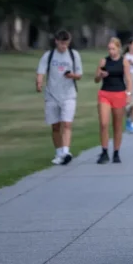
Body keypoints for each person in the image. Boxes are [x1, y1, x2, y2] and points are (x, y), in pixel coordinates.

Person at [35, 29, 83, 166]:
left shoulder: (74, 55)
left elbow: (79, 75)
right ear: (56, 41)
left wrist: (72, 75)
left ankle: (66, 152)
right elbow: (41, 71)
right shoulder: (49, 55)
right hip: (52, 95)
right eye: (62, 43)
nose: (64, 46)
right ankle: (59, 152)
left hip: (69, 95)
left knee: (67, 124)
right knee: (55, 126)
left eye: (66, 43)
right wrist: (39, 83)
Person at [94, 36, 133, 164]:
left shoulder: (124, 61)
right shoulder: (103, 61)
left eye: (113, 49)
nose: (111, 51)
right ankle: (104, 151)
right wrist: (100, 74)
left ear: (118, 48)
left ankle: (116, 152)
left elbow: (128, 79)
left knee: (117, 125)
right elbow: (96, 79)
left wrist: (128, 94)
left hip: (119, 94)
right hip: (105, 93)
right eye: (109, 49)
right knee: (103, 123)